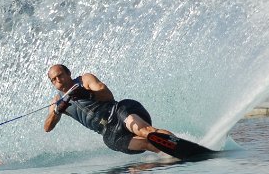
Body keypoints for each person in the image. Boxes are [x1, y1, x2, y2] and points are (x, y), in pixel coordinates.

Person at [43, 64, 172, 155]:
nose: (58, 80)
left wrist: (87, 94)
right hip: (110, 133)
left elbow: (108, 95)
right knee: (147, 144)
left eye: (60, 75)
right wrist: (56, 112)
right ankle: (174, 153)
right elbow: (47, 127)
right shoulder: (56, 102)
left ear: (68, 73)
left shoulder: (85, 80)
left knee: (145, 131)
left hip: (118, 112)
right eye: (54, 79)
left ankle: (175, 142)